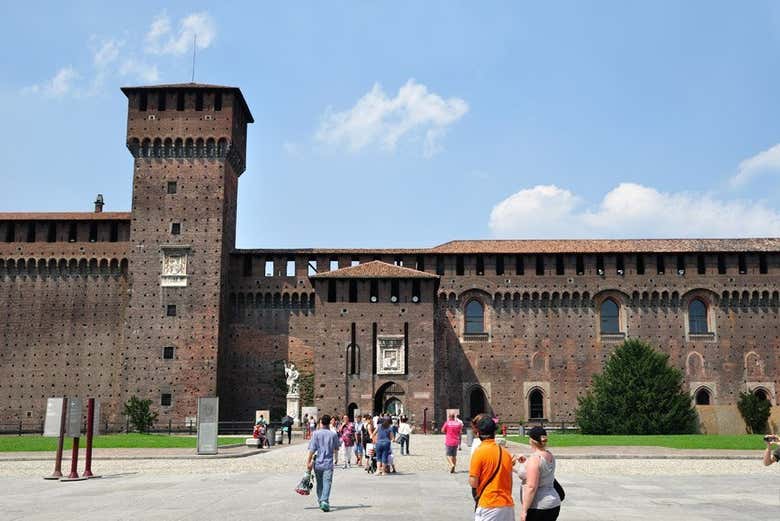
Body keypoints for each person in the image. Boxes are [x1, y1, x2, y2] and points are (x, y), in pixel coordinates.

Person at [469, 414, 514, 521]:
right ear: (494, 432)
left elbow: (473, 482)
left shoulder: (479, 452)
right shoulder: (505, 452)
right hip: (507, 505)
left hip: (489, 504)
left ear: (478, 433)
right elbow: (510, 481)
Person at [520, 426, 561, 521]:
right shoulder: (549, 454)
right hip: (554, 502)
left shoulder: (534, 459)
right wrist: (524, 464)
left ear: (531, 440)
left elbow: (531, 487)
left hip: (539, 505)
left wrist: (524, 510)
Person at [306, 415, 340, 512]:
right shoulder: (333, 434)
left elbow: (312, 449)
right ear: (329, 422)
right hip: (328, 463)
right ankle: (324, 500)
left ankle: (321, 500)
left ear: (321, 422)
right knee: (327, 483)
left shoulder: (316, 434)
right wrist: (336, 458)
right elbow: (337, 448)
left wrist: (308, 462)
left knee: (319, 483)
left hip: (318, 463)